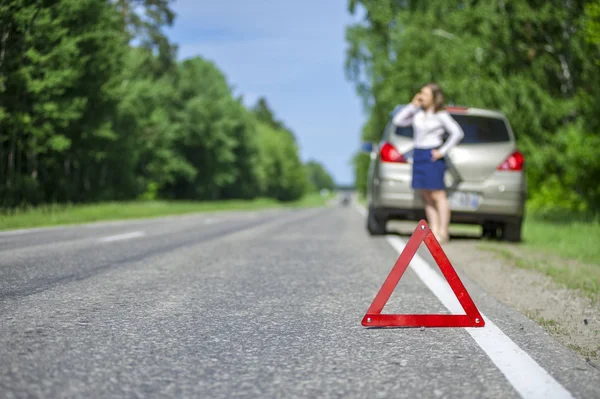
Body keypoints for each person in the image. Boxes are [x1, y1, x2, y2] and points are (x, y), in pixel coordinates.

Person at [392, 83, 464, 244]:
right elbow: (398, 120)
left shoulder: (441, 115)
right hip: (419, 154)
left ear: (434, 97)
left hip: (433, 154)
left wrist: (442, 151)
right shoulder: (417, 113)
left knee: (438, 194)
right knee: (426, 195)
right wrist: (412, 105)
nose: (421, 95)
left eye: (424, 93)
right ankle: (434, 230)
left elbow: (457, 133)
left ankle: (443, 232)